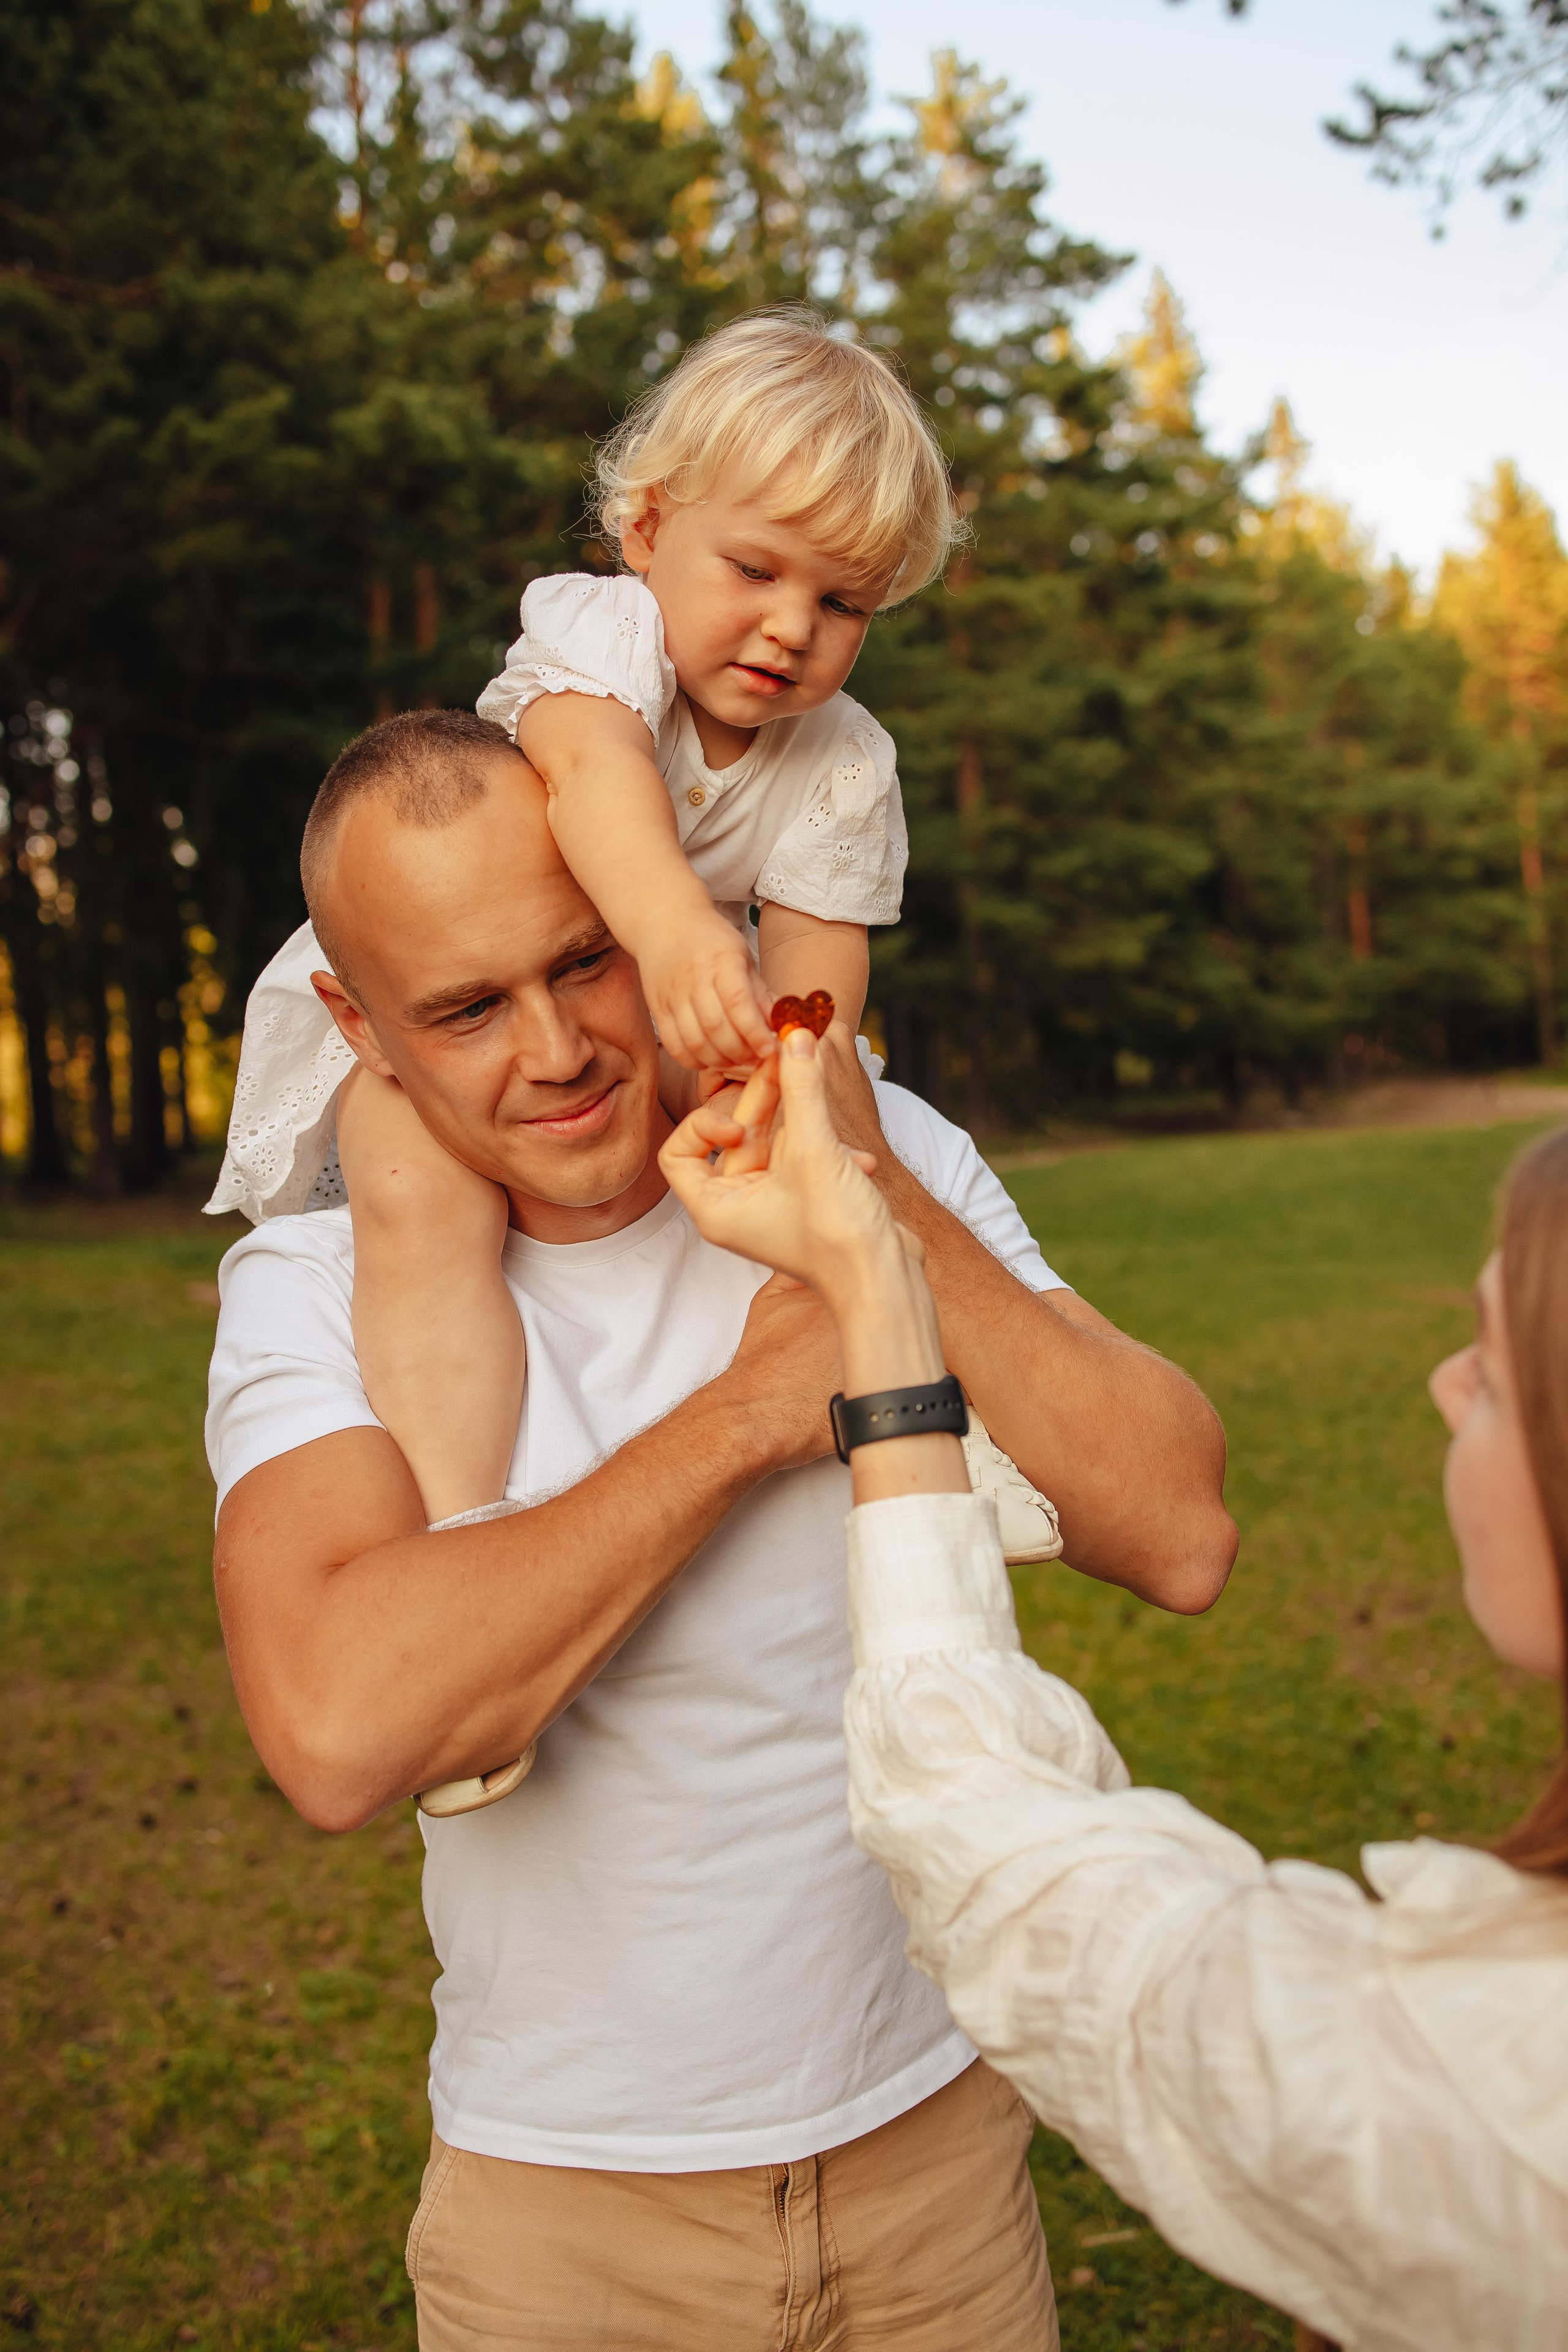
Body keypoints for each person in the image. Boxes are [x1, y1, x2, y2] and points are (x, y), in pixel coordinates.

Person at [206, 709, 1236, 2351]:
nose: (558, 1050)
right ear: (359, 1028)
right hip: (566, 2221)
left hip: (938, 2164)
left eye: (589, 960)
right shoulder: (311, 1292)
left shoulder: (880, 1154)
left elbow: (1178, 1528)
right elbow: (338, 1731)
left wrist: (865, 1194)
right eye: (467, 1008)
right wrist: (755, 1411)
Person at [661, 1026, 1568, 2352]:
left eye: (1495, 1371)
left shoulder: (1479, 2081)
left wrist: (877, 1292)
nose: (1442, 1384)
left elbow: (983, 1829)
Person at [205, 307, 1060, 1571]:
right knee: (416, 1200)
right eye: (755, 571)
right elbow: (595, 782)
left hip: (660, 1000)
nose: (791, 627)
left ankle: (934, 1419)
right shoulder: (602, 637)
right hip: (478, 988)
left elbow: (818, 960)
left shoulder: (845, 758)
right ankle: (463, 1524)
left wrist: (787, 1068)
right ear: (648, 530)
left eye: (841, 602)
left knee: (817, 1163)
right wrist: (671, 935)